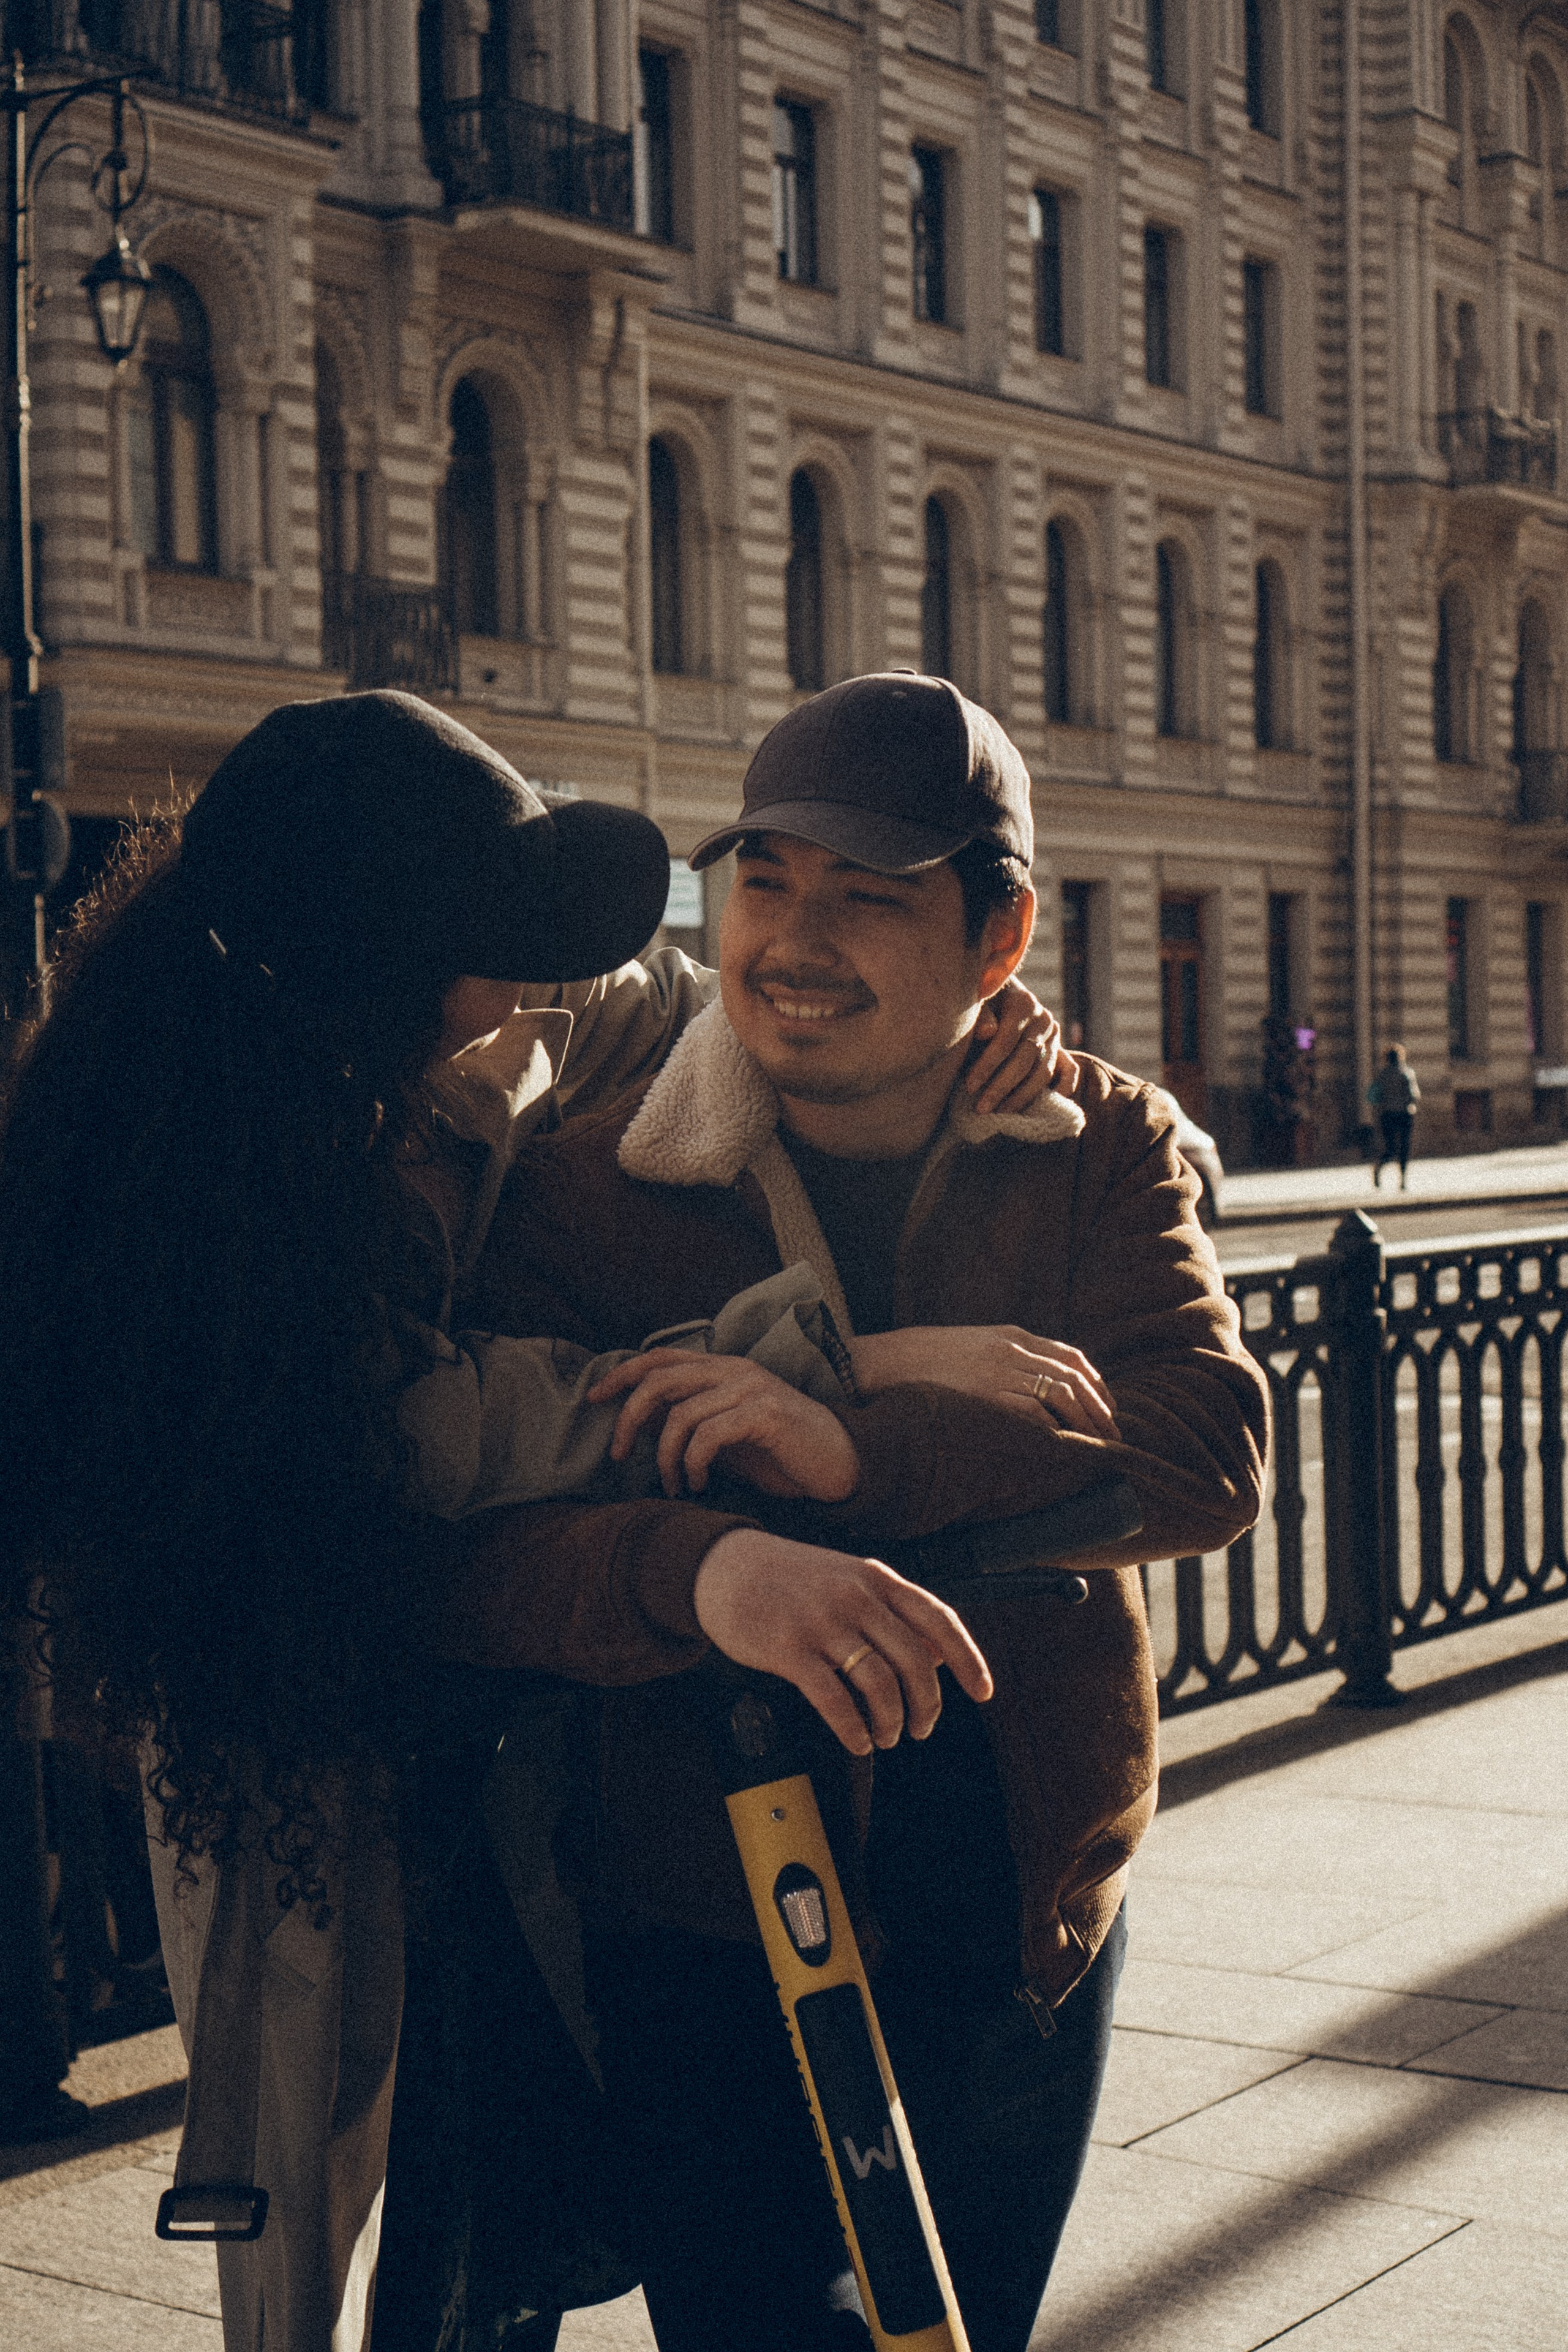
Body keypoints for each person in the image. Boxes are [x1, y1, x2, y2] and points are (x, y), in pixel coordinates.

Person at [0, 688, 1060, 2350]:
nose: (526, 984)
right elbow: (423, 1420)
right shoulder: (189, 1171)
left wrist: (960, 1022)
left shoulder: (404, 1030)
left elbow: (686, 1006)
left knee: (508, 2178)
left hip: (492, 1734)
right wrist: (817, 1369)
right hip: (302, 1744)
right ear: (373, 976)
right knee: (339, 2174)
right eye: (489, 948)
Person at [458, 671, 1273, 2352]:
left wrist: (853, 1453)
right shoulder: (593, 1179)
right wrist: (704, 1570)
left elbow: (1207, 1447)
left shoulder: (1095, 1143)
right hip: (696, 1918)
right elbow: (485, 1554)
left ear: (998, 940)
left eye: (868, 899)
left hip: (1021, 1904)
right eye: (766, 883)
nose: (795, 941)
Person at [1369, 1042, 1420, 1189]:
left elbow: (1374, 1095)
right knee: (1404, 1147)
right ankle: (1403, 1181)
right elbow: (1414, 1094)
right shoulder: (1407, 1073)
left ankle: (1379, 1168)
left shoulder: (1382, 1074)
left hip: (1387, 1115)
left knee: (1390, 1148)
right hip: (1405, 1114)